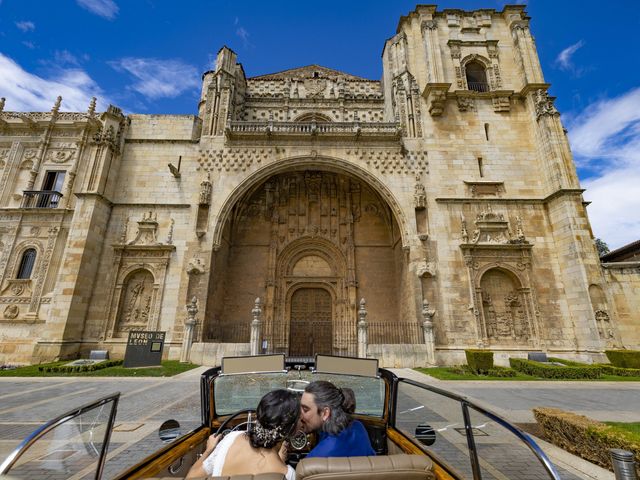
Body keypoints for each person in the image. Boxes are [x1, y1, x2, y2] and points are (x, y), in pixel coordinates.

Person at [186, 389, 299, 479]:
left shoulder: (231, 439)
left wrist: (209, 449)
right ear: (292, 430)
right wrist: (280, 460)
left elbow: (191, 477)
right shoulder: (287, 474)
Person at [300, 380, 375, 458]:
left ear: (325, 413)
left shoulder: (316, 457)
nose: (300, 416)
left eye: (305, 410)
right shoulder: (358, 426)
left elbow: (303, 469)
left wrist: (285, 467)